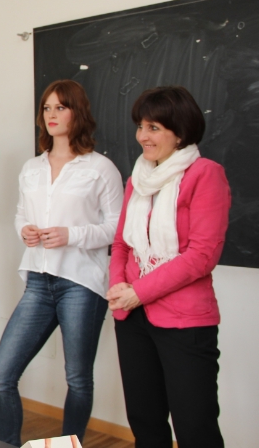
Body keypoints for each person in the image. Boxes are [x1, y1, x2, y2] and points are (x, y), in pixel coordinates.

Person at [0, 80, 123, 445]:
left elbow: (117, 227)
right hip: (38, 279)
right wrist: (24, 230)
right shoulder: (32, 167)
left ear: (78, 113)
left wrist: (71, 235)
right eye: (47, 108)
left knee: (77, 378)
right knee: (0, 375)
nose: (51, 115)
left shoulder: (100, 168)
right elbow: (20, 213)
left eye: (60, 107)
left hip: (81, 283)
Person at [107, 86, 230, 448]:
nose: (142, 136)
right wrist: (118, 288)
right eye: (140, 126)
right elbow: (122, 244)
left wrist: (138, 292)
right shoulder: (138, 179)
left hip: (184, 321)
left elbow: (202, 255)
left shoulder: (205, 174)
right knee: (145, 423)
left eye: (154, 128)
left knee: (195, 428)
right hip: (132, 318)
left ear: (180, 132)